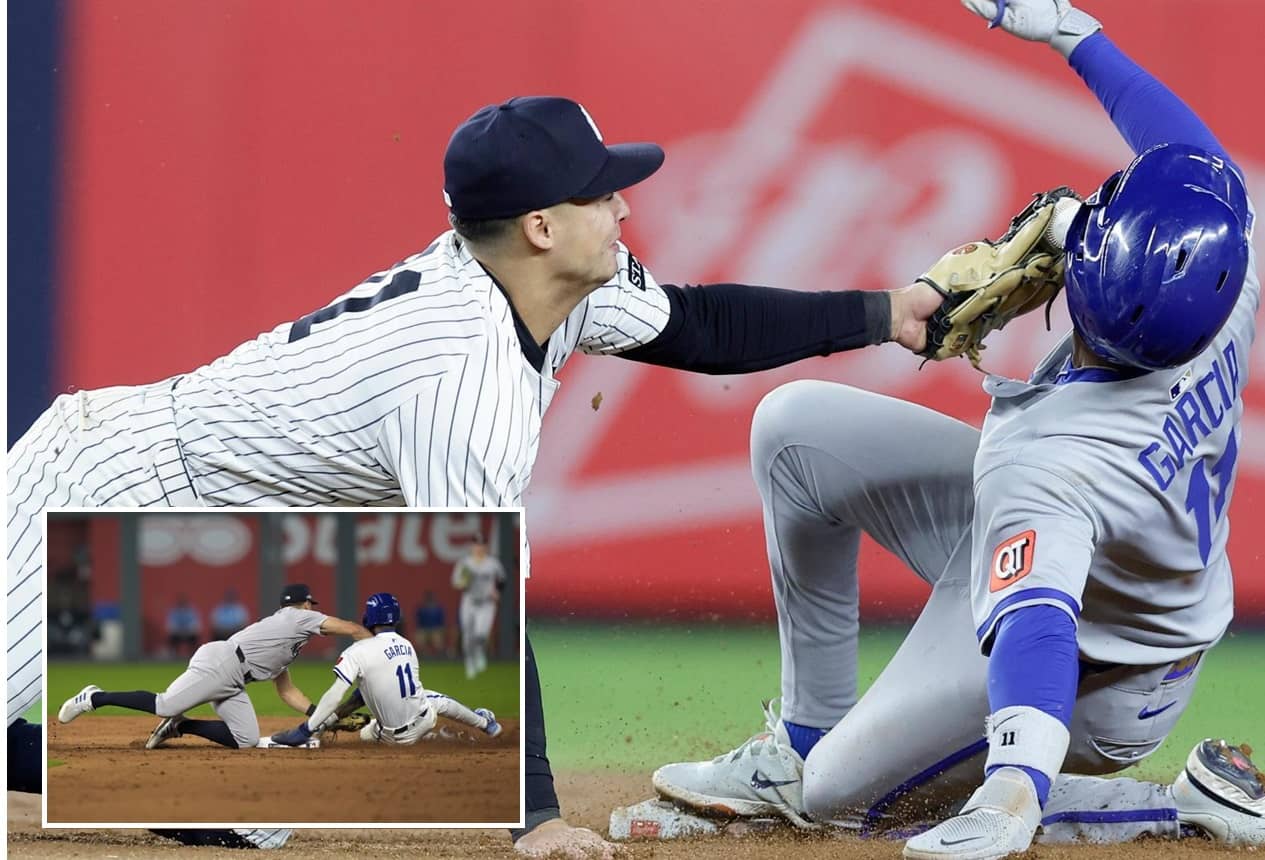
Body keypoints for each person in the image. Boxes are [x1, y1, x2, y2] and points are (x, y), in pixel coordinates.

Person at [7, 95, 943, 857]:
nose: (623, 208)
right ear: (540, 226)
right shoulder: (457, 373)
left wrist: (888, 312)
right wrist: (533, 818)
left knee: (255, 806)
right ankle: (151, 772)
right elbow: (475, 598)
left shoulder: (553, 283)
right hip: (112, 478)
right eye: (600, 194)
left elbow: (701, 326)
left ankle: (176, 781)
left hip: (228, 518)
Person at [652, 1, 1263, 855]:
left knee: (840, 802)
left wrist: (1012, 790)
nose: (1072, 227)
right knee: (795, 433)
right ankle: (798, 739)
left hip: (1103, 673)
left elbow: (1037, 630)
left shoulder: (1047, 462)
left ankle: (1176, 804)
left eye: (1082, 240)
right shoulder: (1217, 273)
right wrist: (1074, 35)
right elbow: (1192, 160)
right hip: (1105, 567)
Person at [57, 584, 370, 752]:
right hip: (222, 663)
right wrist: (378, 644)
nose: (314, 610)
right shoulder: (298, 617)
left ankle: (180, 727)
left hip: (235, 678)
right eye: (311, 605)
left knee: (246, 740)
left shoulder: (286, 638)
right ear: (305, 604)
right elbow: (352, 628)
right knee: (165, 704)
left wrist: (318, 715)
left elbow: (287, 691)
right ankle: (94, 697)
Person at [270, 592, 501, 748]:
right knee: (432, 698)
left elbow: (336, 693)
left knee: (368, 728)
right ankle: (485, 723)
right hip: (422, 721)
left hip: (388, 737)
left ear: (368, 617)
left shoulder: (356, 651)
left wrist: (309, 728)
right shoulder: (407, 645)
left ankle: (319, 734)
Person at [452, 535, 507, 679]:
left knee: (481, 634)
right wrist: (463, 583)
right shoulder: (465, 563)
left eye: (481, 544)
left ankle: (479, 652)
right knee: (468, 635)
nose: (479, 547)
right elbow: (456, 582)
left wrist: (497, 591)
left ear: (486, 546)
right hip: (469, 601)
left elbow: (502, 579)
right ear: (472, 546)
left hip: (487, 603)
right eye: (476, 544)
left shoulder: (492, 563)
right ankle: (469, 663)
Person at [413, 590, 449, 659]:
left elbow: (442, 624)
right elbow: (418, 624)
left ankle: (440, 655)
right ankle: (423, 655)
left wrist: (441, 631)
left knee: (437, 636)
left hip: (435, 630)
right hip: (424, 630)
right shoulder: (421, 609)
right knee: (420, 636)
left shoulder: (438, 609)